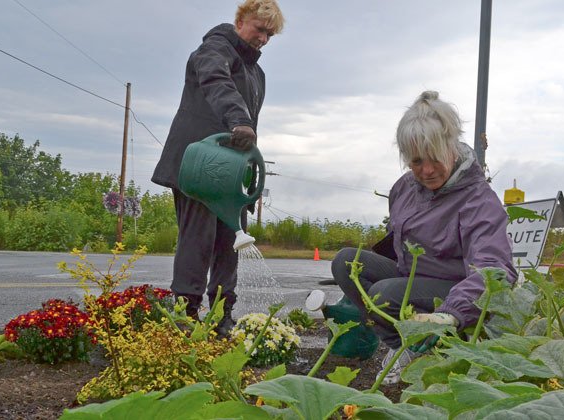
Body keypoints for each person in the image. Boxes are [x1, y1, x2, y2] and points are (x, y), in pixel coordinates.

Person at [329, 91, 518, 384]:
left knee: (384, 294)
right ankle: (406, 349)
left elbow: (496, 270)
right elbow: (396, 246)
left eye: (435, 159)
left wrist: (450, 314)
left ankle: (438, 344)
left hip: (459, 294)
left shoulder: (477, 199)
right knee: (346, 263)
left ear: (452, 147)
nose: (427, 171)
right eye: (416, 161)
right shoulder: (404, 189)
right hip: (412, 280)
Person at [151, 0, 284, 336]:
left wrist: (248, 175)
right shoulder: (214, 49)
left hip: (231, 173)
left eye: (270, 34)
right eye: (260, 29)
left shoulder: (256, 73)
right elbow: (216, 82)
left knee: (230, 243)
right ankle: (186, 316)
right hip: (199, 165)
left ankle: (223, 317)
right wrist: (238, 120)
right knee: (198, 240)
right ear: (241, 20)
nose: (264, 38)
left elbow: (250, 128)